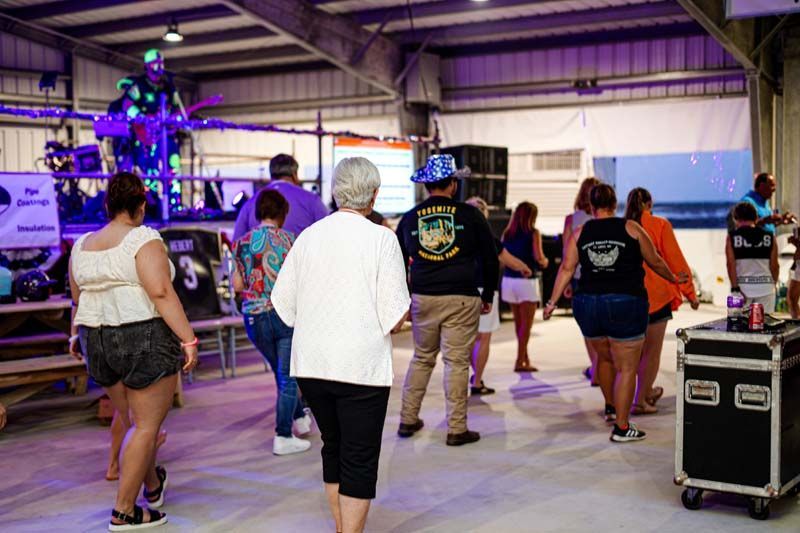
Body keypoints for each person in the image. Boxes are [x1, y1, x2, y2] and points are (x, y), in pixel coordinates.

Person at [271, 157, 410, 533]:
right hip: (360, 366)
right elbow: (394, 313)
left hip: (313, 364)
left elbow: (283, 304)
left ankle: (341, 528)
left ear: (335, 192)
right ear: (375, 195)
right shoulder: (381, 238)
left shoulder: (308, 236)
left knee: (333, 448)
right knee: (359, 457)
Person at [68, 172, 198, 530]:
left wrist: (73, 338)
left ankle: (153, 487)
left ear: (108, 205)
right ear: (141, 207)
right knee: (145, 427)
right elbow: (160, 292)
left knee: (133, 423)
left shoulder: (82, 246)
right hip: (142, 336)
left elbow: (77, 300)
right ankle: (124, 510)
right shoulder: (143, 239)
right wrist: (188, 339)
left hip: (96, 340)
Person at [544, 184, 685, 443]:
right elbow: (654, 260)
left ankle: (610, 407)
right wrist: (674, 278)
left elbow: (566, 268)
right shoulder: (631, 228)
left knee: (604, 359)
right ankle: (622, 427)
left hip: (588, 304)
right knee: (627, 366)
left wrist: (552, 302)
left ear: (591, 204)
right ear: (614, 202)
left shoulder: (580, 231)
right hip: (625, 301)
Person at [395, 154, 499, 446]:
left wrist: (405, 299)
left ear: (427, 185)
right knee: (456, 362)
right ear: (453, 184)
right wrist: (488, 294)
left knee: (422, 358)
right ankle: (456, 429)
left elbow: (398, 262)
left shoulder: (410, 218)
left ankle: (407, 419)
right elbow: (490, 258)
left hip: (423, 296)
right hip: (461, 297)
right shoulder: (470, 215)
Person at [232, 189, 312, 456]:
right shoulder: (291, 240)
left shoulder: (241, 243)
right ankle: (283, 435)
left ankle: (299, 417)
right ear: (282, 213)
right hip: (284, 315)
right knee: (288, 376)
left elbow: (237, 284)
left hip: (253, 318)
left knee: (280, 371)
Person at [624, 188, 699, 415]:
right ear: (649, 203)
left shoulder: (624, 226)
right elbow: (674, 259)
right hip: (656, 295)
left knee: (633, 351)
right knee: (652, 352)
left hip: (629, 296)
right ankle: (640, 401)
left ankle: (644, 392)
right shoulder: (660, 224)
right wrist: (690, 294)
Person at [465, 196, 532, 395]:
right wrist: (525, 268)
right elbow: (508, 260)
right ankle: (477, 382)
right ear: (484, 215)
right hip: (484, 292)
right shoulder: (488, 239)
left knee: (469, 339)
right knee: (483, 338)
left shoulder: (458, 238)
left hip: (462, 291)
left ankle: (475, 376)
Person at [233, 154, 329, 241]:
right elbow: (328, 234)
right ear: (294, 175)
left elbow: (236, 242)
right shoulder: (312, 200)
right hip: (301, 258)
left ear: (271, 175)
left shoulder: (251, 202)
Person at [562, 177, 601, 385]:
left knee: (587, 327)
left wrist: (566, 283)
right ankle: (601, 368)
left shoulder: (571, 219)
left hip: (578, 277)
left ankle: (595, 368)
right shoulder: (601, 218)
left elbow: (566, 253)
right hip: (600, 276)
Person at [501, 202, 548, 372]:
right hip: (527, 282)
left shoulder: (507, 234)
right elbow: (539, 257)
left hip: (508, 281)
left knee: (518, 324)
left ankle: (525, 358)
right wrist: (545, 262)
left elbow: (502, 255)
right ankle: (519, 361)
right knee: (526, 327)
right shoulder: (533, 233)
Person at [122, 49, 182, 177]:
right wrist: (143, 119)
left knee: (174, 169)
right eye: (155, 63)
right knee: (150, 174)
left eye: (161, 62)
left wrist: (176, 120)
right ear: (147, 65)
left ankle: (174, 195)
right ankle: (151, 195)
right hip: (145, 138)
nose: (159, 66)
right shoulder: (140, 85)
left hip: (166, 136)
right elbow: (127, 104)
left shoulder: (167, 87)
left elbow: (176, 108)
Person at [726, 201, 779, 312]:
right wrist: (773, 284)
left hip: (741, 290)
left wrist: (735, 289)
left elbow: (731, 265)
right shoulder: (770, 237)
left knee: (736, 326)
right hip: (766, 289)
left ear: (736, 218)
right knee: (766, 326)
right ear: (756, 217)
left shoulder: (732, 237)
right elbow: (775, 266)